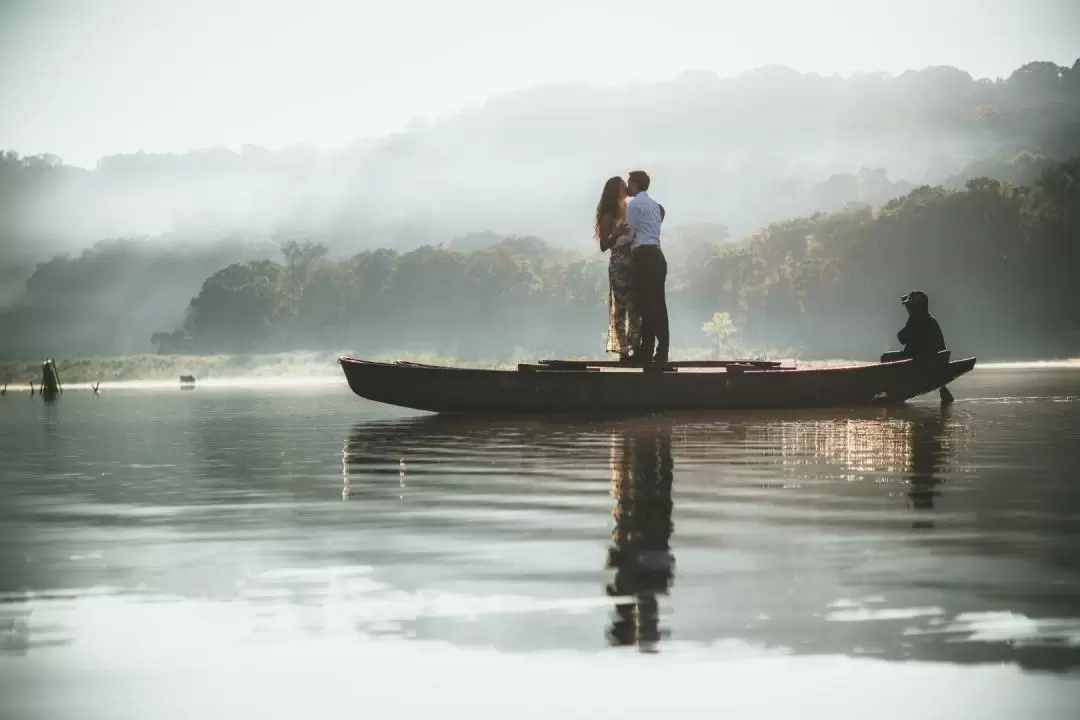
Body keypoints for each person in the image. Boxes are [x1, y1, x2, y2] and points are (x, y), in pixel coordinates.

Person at [624, 170, 669, 365]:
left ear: (635, 185)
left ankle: (648, 351)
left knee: (644, 305)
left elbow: (629, 233)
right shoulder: (655, 205)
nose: (627, 187)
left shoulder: (634, 205)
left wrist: (615, 239)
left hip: (643, 257)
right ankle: (659, 351)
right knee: (657, 305)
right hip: (657, 255)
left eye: (629, 183)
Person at [595, 176, 641, 362]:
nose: (627, 190)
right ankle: (623, 350)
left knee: (636, 308)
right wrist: (617, 234)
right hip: (619, 266)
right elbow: (604, 245)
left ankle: (636, 346)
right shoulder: (608, 215)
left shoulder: (629, 209)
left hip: (633, 265)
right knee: (621, 309)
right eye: (624, 187)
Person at [880, 290, 954, 404]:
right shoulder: (932, 321)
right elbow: (941, 349)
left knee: (885, 357)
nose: (908, 309)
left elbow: (902, 338)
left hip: (916, 361)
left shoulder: (914, 320)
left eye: (910, 306)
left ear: (917, 307)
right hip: (930, 361)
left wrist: (901, 333)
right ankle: (943, 389)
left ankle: (892, 389)